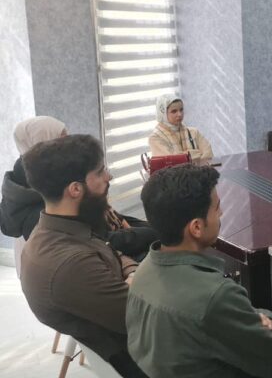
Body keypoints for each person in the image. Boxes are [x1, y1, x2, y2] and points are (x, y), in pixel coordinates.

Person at [127, 164, 272, 378]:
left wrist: (247, 317)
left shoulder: (143, 273)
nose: (222, 213)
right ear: (196, 227)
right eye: (216, 208)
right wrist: (264, 318)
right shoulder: (214, 296)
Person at [20, 134, 147, 378]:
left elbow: (114, 253)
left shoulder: (58, 227)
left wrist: (132, 273)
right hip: (145, 356)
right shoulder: (69, 263)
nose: (109, 177)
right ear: (75, 189)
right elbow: (143, 314)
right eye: (100, 172)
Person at [1, 116, 157, 261]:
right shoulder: (43, 208)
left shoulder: (60, 184)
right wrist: (153, 234)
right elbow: (96, 242)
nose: (68, 145)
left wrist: (153, 229)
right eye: (61, 140)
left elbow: (110, 219)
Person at [148, 94, 213, 163]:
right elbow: (171, 162)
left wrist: (184, 157)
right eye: (174, 111)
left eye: (181, 110)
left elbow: (208, 155)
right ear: (163, 113)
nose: (179, 114)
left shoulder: (193, 132)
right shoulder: (155, 138)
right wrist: (197, 154)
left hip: (200, 170)